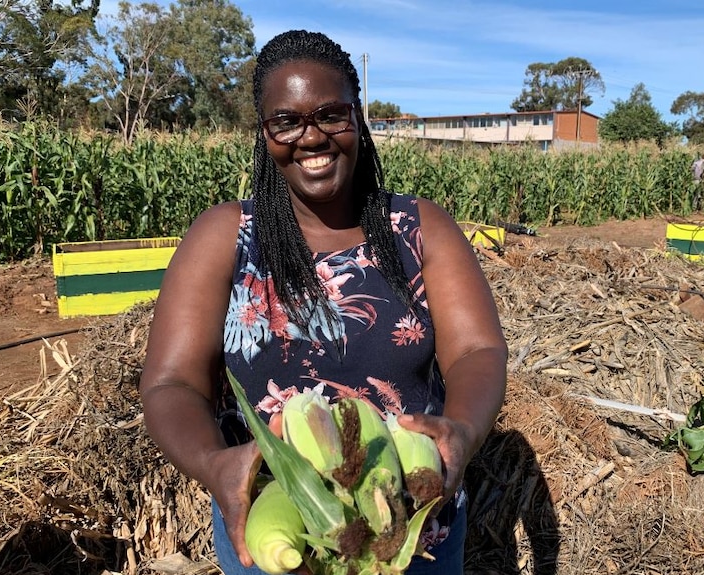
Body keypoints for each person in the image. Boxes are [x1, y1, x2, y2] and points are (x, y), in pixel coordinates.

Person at [139, 29, 507, 575]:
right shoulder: (225, 237)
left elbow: (476, 350)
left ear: (358, 118)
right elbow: (172, 383)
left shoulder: (419, 228)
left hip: (407, 525)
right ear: (264, 134)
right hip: (282, 527)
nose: (311, 138)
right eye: (286, 121)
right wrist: (215, 465)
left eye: (331, 114)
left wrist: (465, 431)